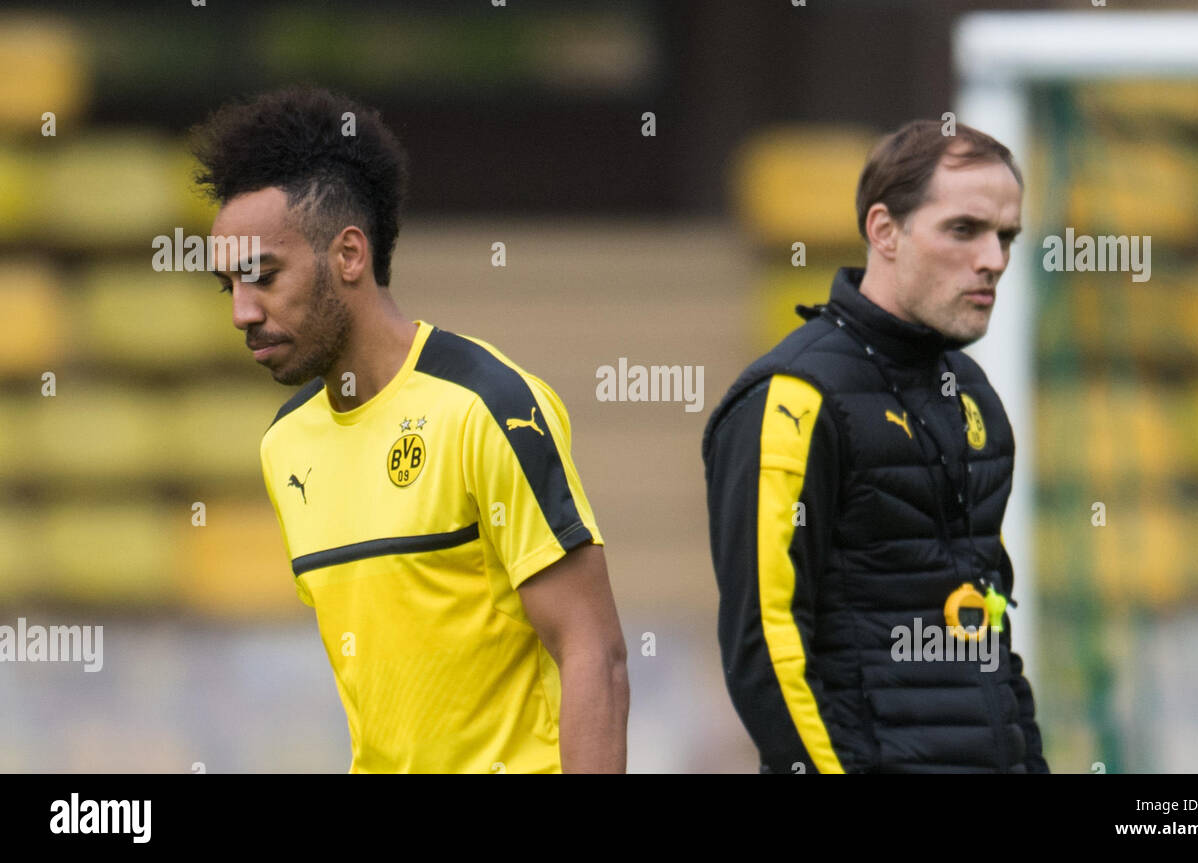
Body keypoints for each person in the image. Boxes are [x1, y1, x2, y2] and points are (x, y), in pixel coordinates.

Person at [191, 86, 628, 773]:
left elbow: (593, 653)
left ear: (349, 255)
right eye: (230, 288)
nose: (243, 311)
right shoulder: (285, 447)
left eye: (263, 276)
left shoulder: (487, 406)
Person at [702, 119, 1048, 773]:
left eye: (1006, 237)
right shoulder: (794, 398)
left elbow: (987, 630)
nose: (994, 260)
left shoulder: (972, 392)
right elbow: (766, 647)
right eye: (964, 229)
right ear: (884, 231)